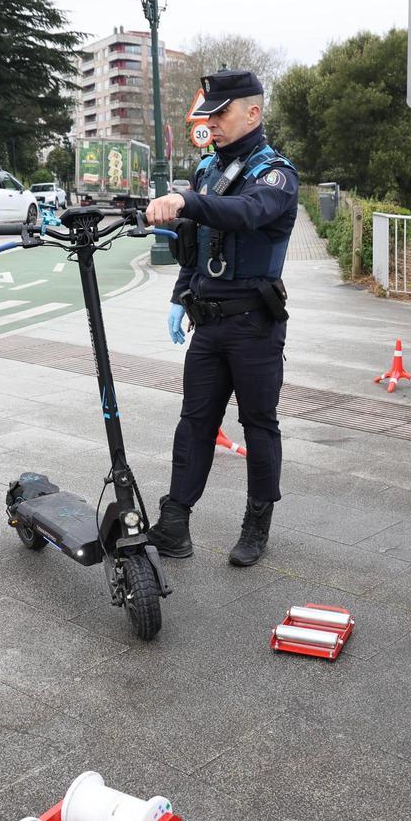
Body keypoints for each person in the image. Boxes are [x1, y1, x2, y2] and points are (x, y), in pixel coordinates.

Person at [145, 69, 298, 568]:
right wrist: (179, 293)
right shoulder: (209, 170)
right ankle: (175, 520)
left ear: (252, 113)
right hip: (208, 324)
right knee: (194, 421)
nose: (212, 122)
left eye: (221, 113)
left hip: (255, 325)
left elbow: (245, 213)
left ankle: (257, 521)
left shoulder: (274, 174)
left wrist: (187, 199)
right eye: (207, 114)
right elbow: (194, 246)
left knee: (258, 424)